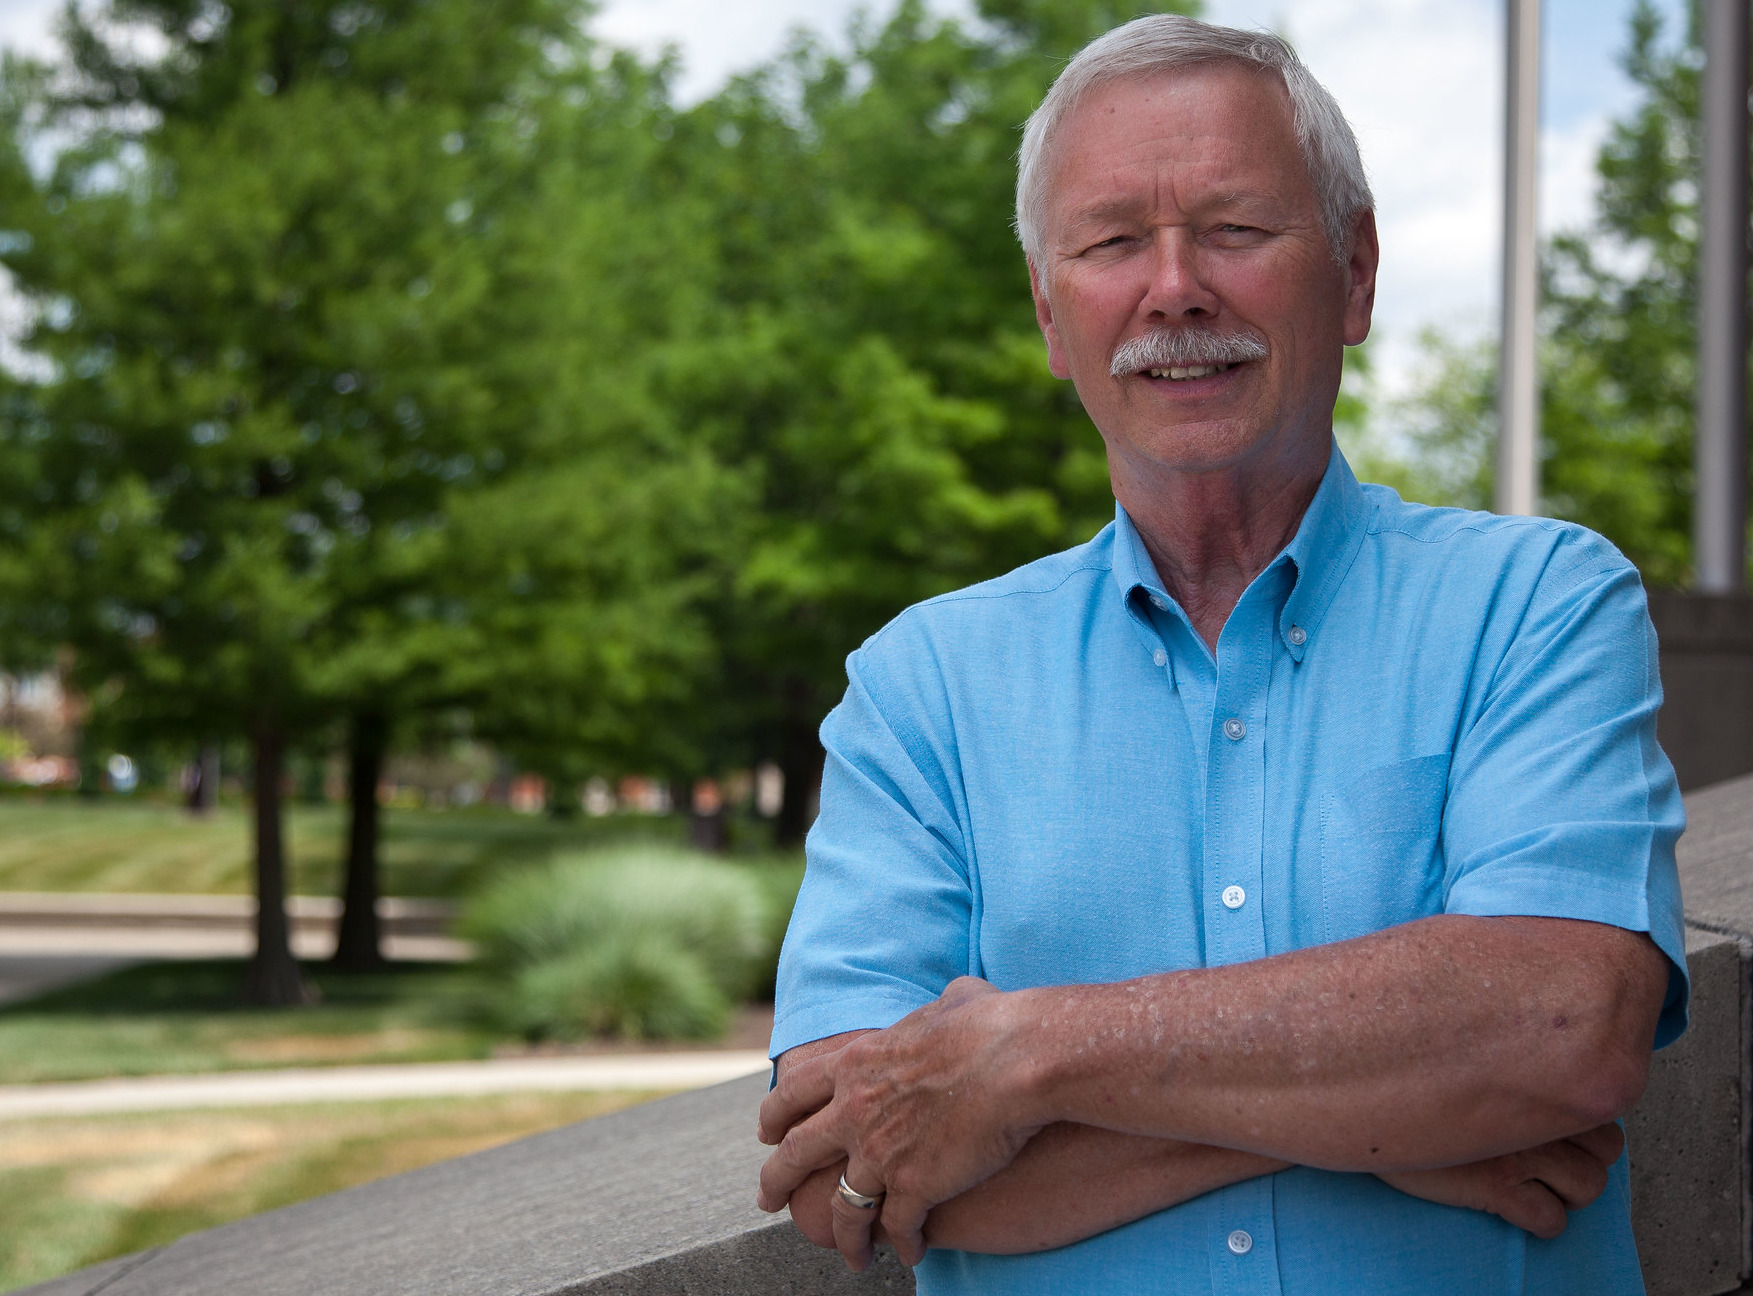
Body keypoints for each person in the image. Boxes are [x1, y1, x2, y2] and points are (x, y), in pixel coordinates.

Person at [755, 15, 1686, 1296]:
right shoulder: (919, 692)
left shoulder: (1537, 604)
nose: (1174, 287)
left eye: (1236, 229)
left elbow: (1562, 1024)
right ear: (1049, 315)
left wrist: (1019, 1058)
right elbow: (839, 1165)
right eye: (1110, 242)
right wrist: (1393, 1114)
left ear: (1354, 274)